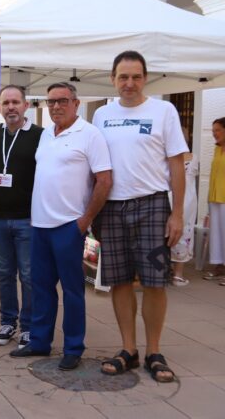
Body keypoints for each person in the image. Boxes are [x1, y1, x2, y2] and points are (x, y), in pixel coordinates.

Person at [92, 51, 187, 383]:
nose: (129, 83)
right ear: (113, 79)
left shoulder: (164, 111)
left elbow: (177, 164)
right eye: (122, 77)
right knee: (118, 280)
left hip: (152, 206)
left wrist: (177, 214)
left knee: (154, 282)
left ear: (145, 78)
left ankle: (154, 352)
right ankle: (128, 350)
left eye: (135, 77)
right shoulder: (102, 114)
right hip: (113, 208)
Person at [10, 82, 112, 372]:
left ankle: (73, 347)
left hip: (69, 226)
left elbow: (104, 180)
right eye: (50, 101)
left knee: (72, 291)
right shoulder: (46, 136)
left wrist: (85, 220)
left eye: (62, 101)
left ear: (76, 103)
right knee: (41, 288)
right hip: (40, 225)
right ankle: (40, 341)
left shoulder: (90, 134)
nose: (56, 106)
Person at [0, 85, 43, 349]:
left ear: (25, 105)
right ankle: (8, 321)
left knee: (29, 275)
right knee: (4, 274)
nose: (10, 107)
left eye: (15, 102)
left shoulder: (40, 135)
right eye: (6, 103)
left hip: (26, 218)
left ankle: (29, 327)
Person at [170, 132, 197, 286]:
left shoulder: (166, 157)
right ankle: (178, 274)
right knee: (184, 232)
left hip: (170, 196)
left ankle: (166, 270)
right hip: (187, 199)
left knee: (168, 234)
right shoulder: (193, 157)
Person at [204, 117, 225, 283]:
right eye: (213, 131)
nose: (214, 134)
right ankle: (219, 266)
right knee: (217, 234)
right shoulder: (217, 149)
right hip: (215, 198)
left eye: (217, 130)